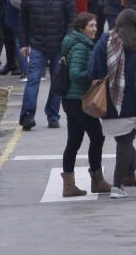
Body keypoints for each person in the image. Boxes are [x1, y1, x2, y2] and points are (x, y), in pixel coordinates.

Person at [89, 9, 136, 198]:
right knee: (125, 142)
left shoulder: (104, 42)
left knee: (124, 140)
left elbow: (93, 71)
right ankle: (117, 186)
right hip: (130, 104)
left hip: (107, 102)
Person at [19, 0, 77, 130]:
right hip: (37, 44)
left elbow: (71, 18)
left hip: (59, 44)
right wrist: (24, 43)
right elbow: (23, 20)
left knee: (57, 82)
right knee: (33, 79)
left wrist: (68, 40)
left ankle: (53, 115)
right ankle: (28, 115)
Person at [59, 13, 111, 197]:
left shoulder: (77, 43)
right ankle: (97, 179)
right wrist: (94, 75)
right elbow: (75, 74)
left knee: (74, 140)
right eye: (91, 26)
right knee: (97, 136)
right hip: (78, 99)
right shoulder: (81, 47)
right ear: (82, 28)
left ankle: (69, 184)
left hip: (71, 99)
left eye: (96, 26)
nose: (95, 29)